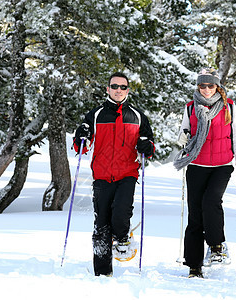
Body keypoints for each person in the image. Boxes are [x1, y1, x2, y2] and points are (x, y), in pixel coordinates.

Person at [73, 72, 155, 276]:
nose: (119, 90)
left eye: (123, 87)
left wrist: (146, 146)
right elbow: (81, 147)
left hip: (127, 173)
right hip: (101, 174)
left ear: (128, 90)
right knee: (101, 223)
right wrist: (81, 137)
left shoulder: (137, 116)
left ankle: (123, 238)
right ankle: (102, 273)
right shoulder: (96, 114)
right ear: (107, 89)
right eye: (115, 86)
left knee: (120, 211)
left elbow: (149, 147)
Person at [173, 67, 236, 278]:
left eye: (210, 85)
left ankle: (217, 246)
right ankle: (194, 266)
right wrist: (183, 137)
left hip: (222, 165)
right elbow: (184, 131)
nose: (206, 89)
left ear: (217, 86)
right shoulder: (190, 107)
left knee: (211, 201)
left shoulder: (229, 107)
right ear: (198, 86)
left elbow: (235, 138)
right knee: (195, 215)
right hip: (196, 165)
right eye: (202, 85)